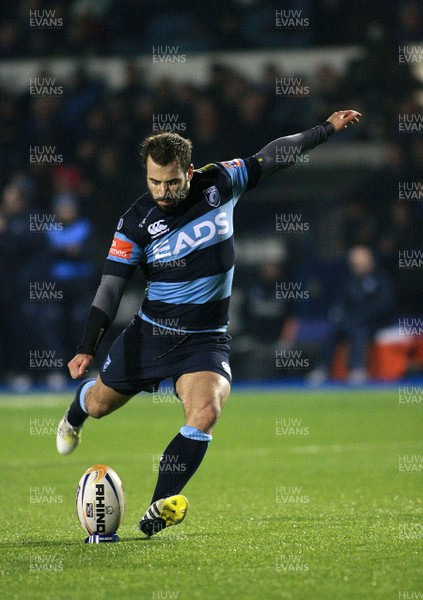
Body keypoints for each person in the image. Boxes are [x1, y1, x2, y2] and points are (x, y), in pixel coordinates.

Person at [56, 110, 361, 537]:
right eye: (154, 182)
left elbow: (272, 156)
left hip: (206, 340)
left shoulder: (220, 182)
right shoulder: (134, 224)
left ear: (190, 172)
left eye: (172, 182)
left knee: (206, 411)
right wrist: (88, 345)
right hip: (150, 335)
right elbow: (110, 289)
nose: (163, 191)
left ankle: (157, 507)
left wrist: (324, 130)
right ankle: (74, 414)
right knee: (101, 404)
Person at [307, 245, 394, 385]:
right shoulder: (350, 281)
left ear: (370, 261)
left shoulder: (380, 279)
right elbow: (341, 303)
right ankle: (323, 368)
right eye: (355, 263)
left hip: (374, 323)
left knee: (358, 329)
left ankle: (357, 369)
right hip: (351, 322)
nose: (358, 265)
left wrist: (360, 316)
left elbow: (384, 304)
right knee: (332, 329)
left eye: (361, 262)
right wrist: (339, 316)